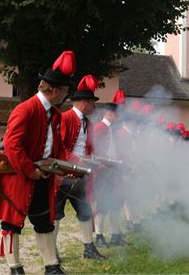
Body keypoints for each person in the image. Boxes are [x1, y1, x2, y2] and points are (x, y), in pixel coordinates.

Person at [0, 50, 75, 275]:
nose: (67, 95)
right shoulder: (25, 110)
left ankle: (51, 266)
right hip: (18, 177)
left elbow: (56, 147)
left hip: (42, 176)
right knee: (11, 224)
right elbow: (12, 145)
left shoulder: (55, 115)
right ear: (55, 91)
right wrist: (30, 170)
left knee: (44, 221)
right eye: (66, 91)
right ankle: (15, 268)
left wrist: (70, 167)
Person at [54, 75, 106, 261]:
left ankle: (88, 249)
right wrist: (79, 160)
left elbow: (88, 148)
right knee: (56, 215)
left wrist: (93, 161)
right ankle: (52, 252)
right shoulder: (65, 118)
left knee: (85, 212)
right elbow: (60, 147)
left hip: (80, 175)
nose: (94, 107)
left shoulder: (88, 123)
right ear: (84, 103)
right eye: (93, 103)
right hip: (62, 175)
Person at [92, 102, 128, 247]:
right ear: (110, 113)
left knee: (116, 203)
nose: (118, 117)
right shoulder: (99, 127)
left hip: (114, 171)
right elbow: (94, 150)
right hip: (103, 172)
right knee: (102, 204)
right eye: (117, 114)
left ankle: (115, 235)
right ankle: (99, 236)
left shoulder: (112, 129)